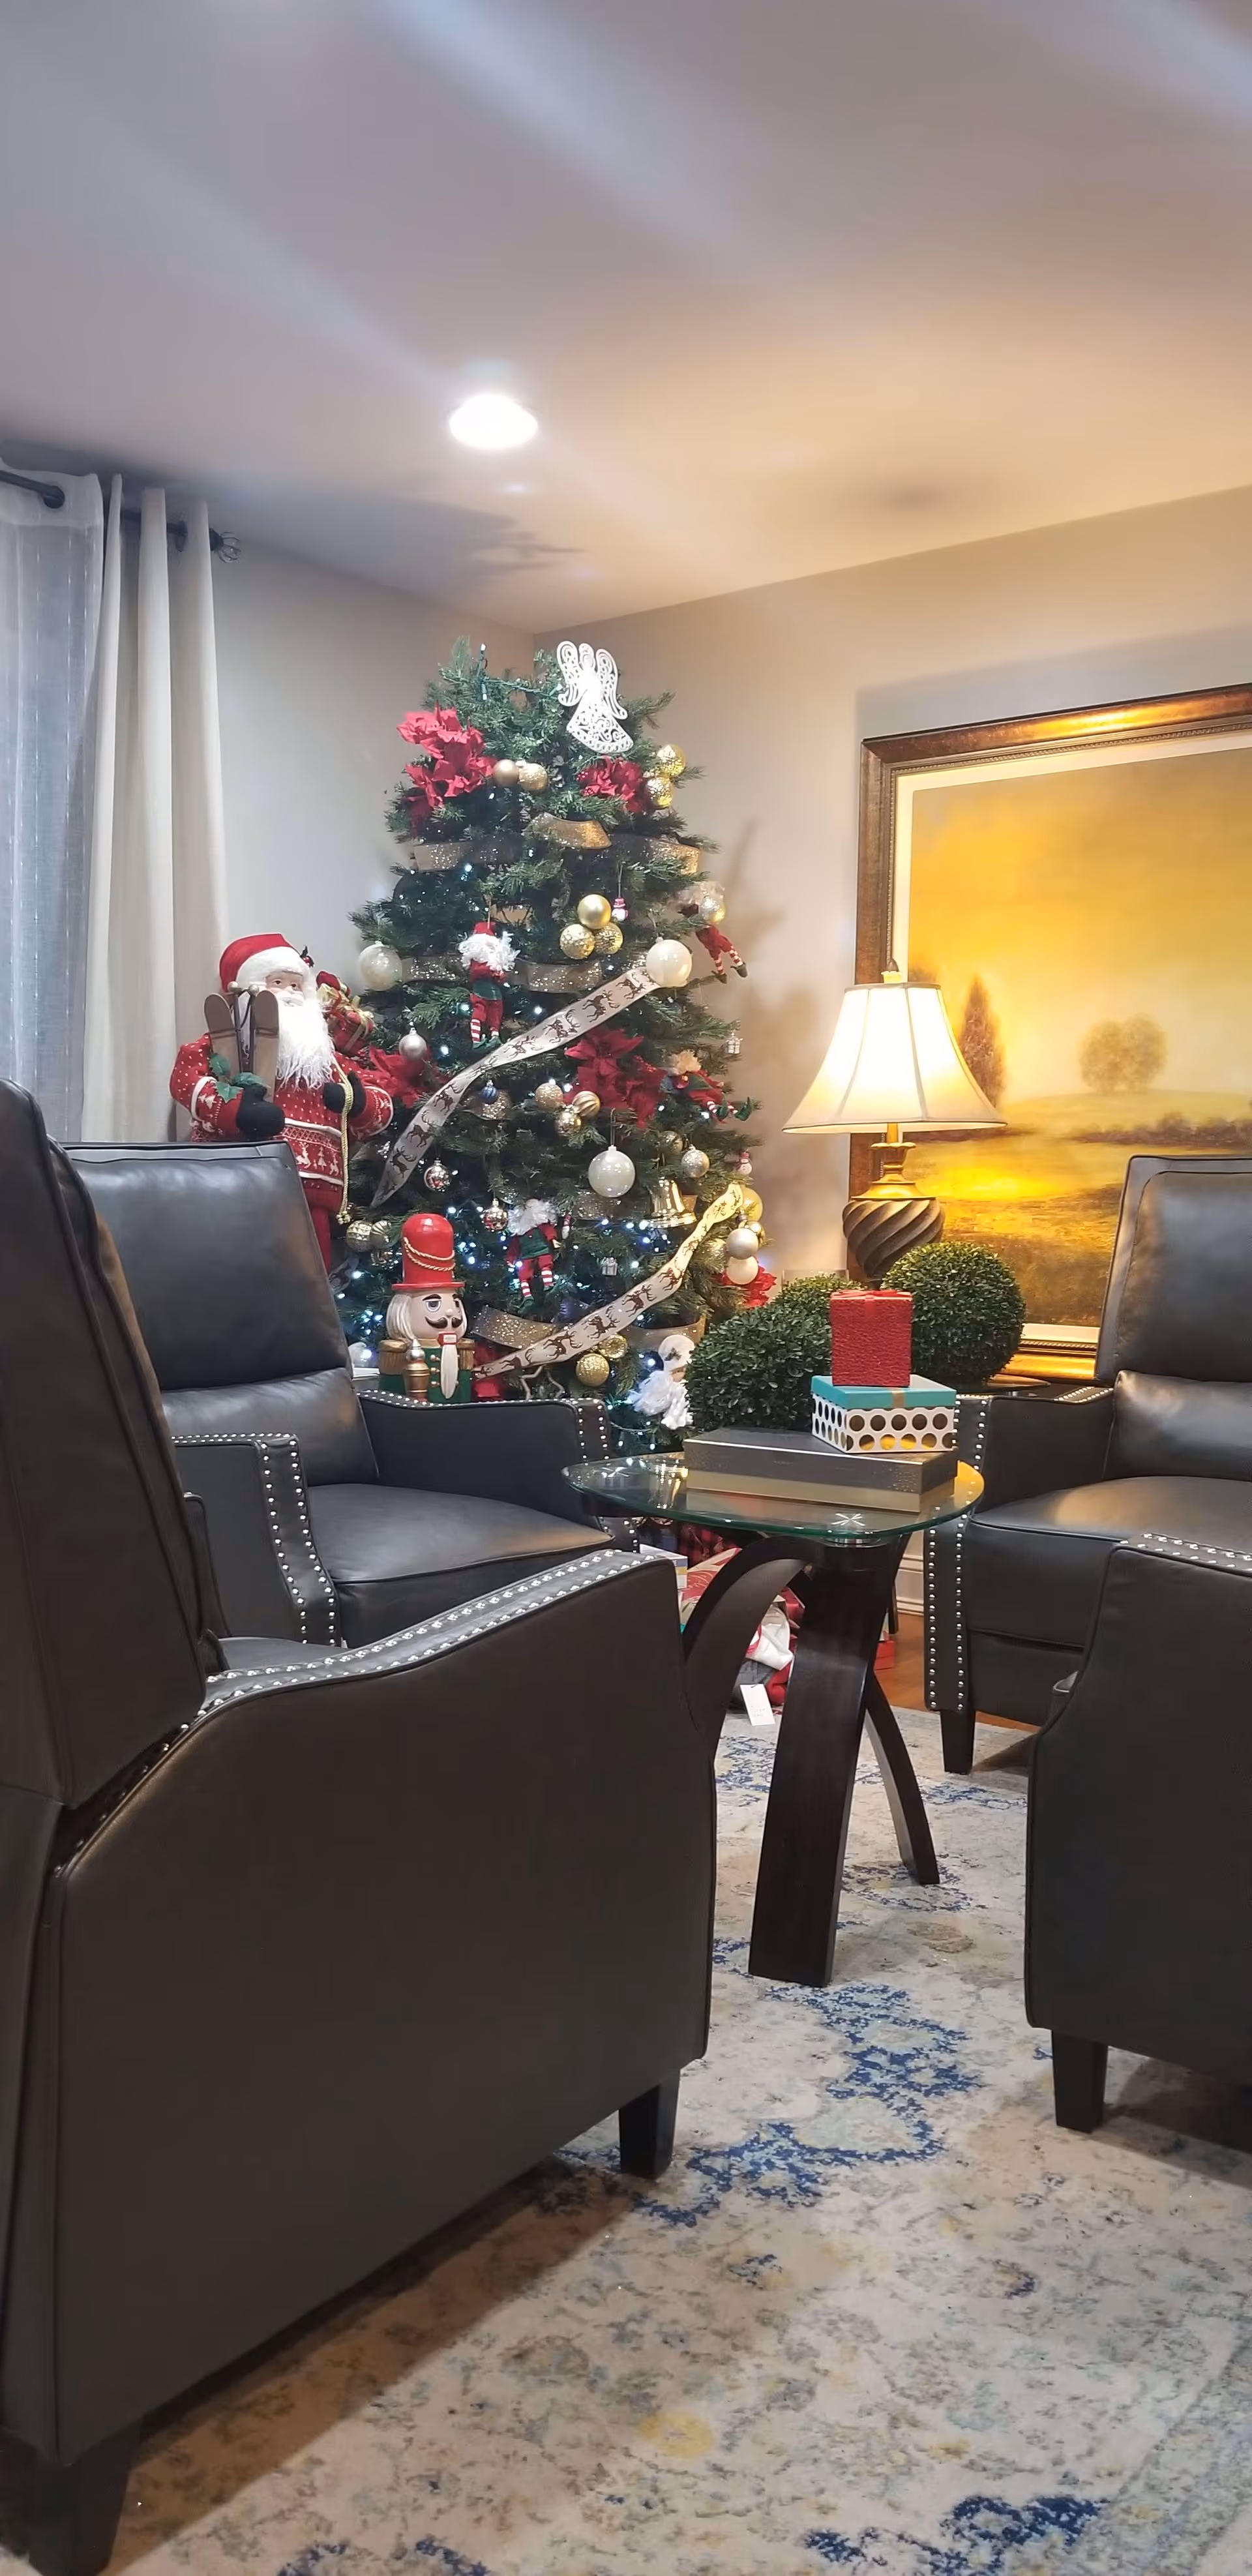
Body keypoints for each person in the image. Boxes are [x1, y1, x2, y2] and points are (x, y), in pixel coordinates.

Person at [170, 933, 393, 1266]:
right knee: (239, 1272)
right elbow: (186, 1079)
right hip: (241, 1184)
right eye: (278, 983)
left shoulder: (329, 1062)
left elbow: (381, 1106)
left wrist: (358, 1102)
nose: (290, 993)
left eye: (296, 985)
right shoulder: (223, 1047)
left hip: (316, 1198)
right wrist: (236, 1111)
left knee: (309, 1279)